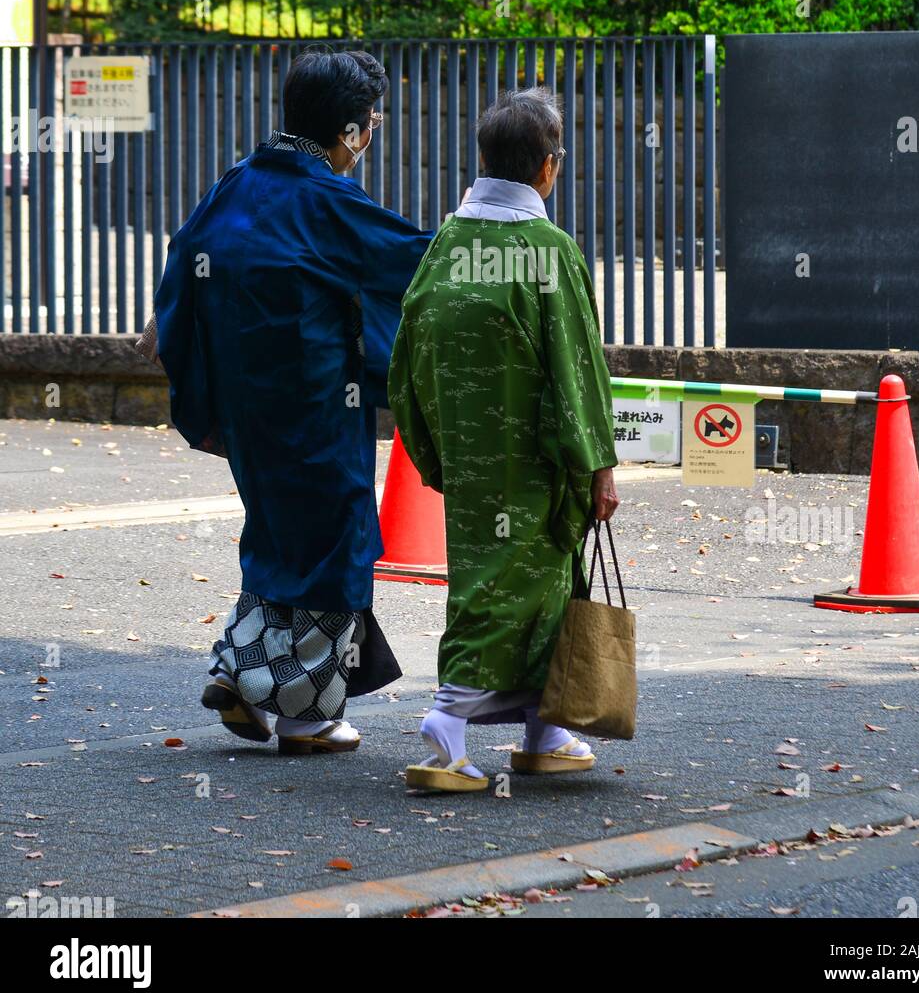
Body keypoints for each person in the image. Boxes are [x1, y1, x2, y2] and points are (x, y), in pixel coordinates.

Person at [155, 48, 430, 754]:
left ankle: (238, 674)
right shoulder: (325, 200)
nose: (372, 135)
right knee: (338, 544)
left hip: (246, 410)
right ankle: (304, 715)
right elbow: (418, 263)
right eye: (372, 122)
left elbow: (181, 274)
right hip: (315, 407)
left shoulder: (235, 184)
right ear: (350, 131)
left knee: (279, 540)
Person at [388, 86, 619, 792]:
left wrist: (432, 446)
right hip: (537, 459)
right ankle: (447, 721)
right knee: (511, 587)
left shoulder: (446, 246)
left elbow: (406, 356)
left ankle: (545, 727)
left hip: (467, 458)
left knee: (526, 584)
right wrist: (598, 465)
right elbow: (577, 367)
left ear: (482, 157)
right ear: (548, 168)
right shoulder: (547, 250)